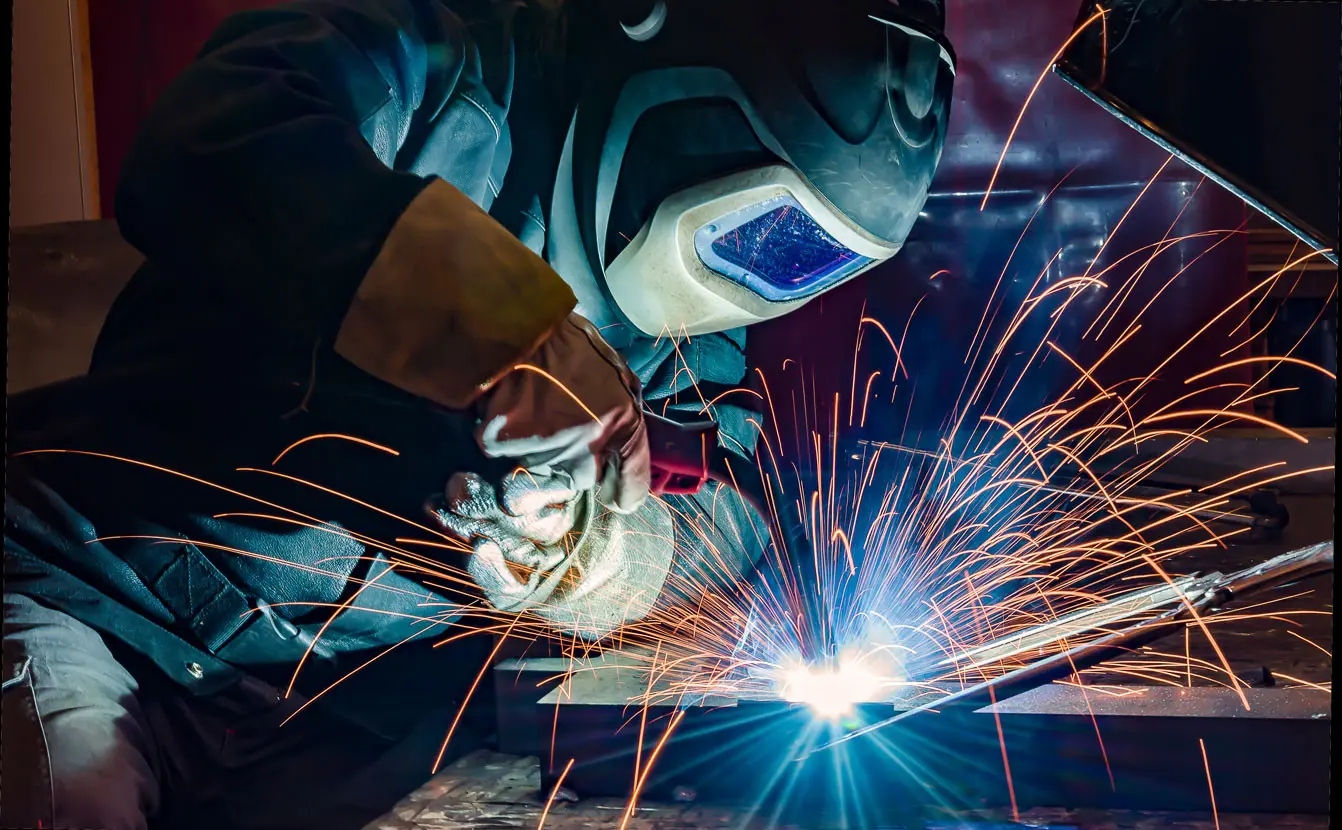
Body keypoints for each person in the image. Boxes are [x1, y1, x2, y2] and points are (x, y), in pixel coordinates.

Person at [1, 1, 955, 827]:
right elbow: (207, 143)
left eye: (804, 260)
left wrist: (608, 564)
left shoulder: (689, 332)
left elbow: (724, 509)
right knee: (72, 805)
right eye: (757, 224)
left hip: (348, 708)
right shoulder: (427, 64)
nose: (754, 274)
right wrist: (505, 325)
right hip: (97, 602)